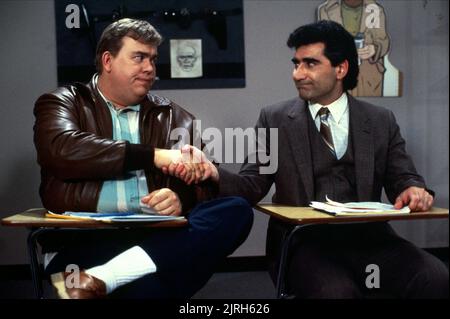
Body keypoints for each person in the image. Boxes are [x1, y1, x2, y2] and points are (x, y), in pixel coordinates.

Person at [166, 20, 448, 298]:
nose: (297, 73)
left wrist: (413, 189)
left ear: (341, 68)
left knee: (435, 277)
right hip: (305, 242)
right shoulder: (274, 119)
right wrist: (212, 173)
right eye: (296, 63)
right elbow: (252, 185)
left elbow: (402, 176)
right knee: (336, 293)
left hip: (371, 240)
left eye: (310, 64)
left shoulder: (379, 120)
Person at [33, 18, 253, 299]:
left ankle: (101, 278)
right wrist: (155, 157)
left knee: (235, 210)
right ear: (108, 60)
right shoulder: (64, 102)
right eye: (139, 57)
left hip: (154, 237)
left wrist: (179, 197)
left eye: (152, 59)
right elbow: (61, 149)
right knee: (151, 288)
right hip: (81, 239)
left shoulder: (176, 116)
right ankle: (106, 277)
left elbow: (203, 188)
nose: (150, 68)